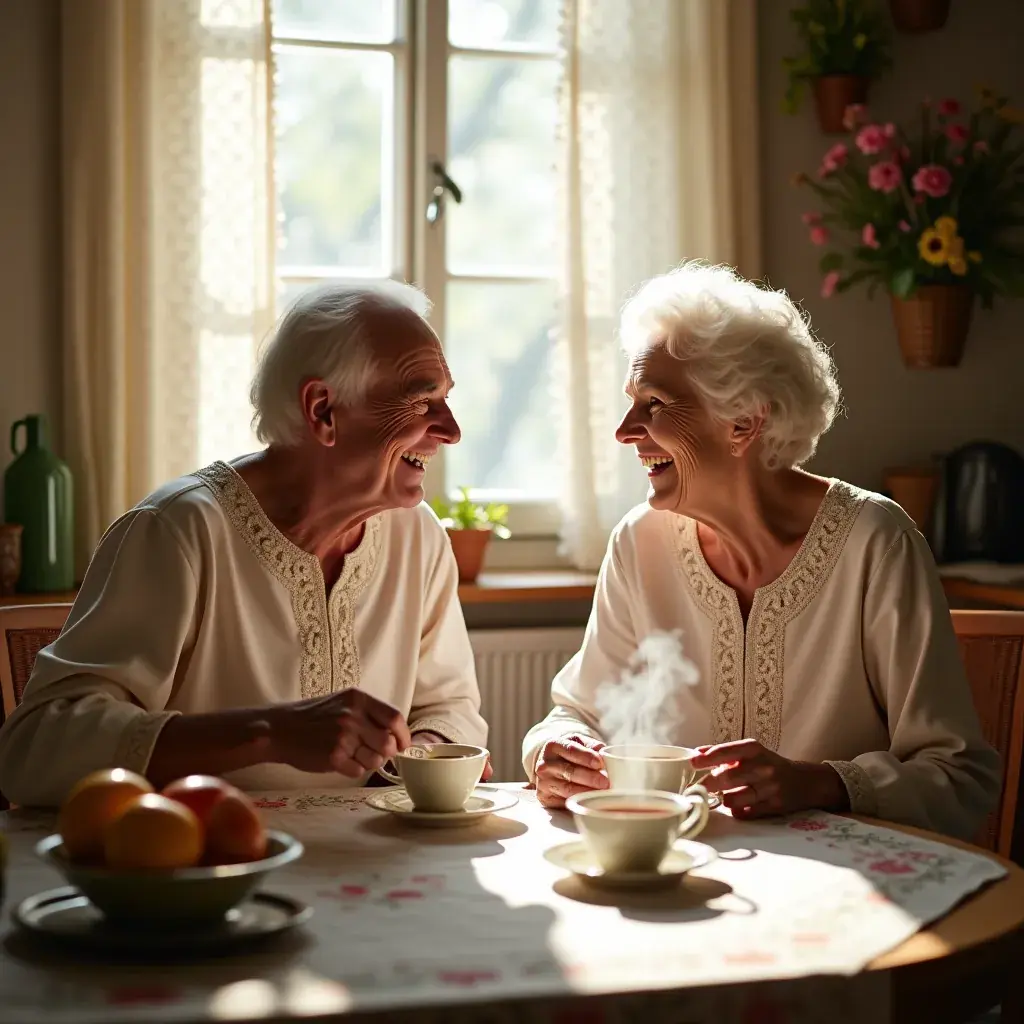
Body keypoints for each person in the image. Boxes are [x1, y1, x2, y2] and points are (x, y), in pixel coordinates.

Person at [523, 262, 999, 840]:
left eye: (655, 403)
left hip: (840, 879)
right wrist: (558, 749)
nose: (625, 430)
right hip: (682, 868)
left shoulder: (876, 543)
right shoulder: (638, 542)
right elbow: (576, 712)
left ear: (743, 423)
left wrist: (820, 782)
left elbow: (959, 777)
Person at [0, 282, 488, 806]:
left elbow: (450, 706)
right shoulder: (178, 531)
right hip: (196, 849)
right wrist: (269, 732)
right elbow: (35, 748)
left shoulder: (419, 536)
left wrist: (419, 753)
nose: (451, 429)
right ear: (323, 409)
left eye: (446, 398)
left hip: (362, 849)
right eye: (421, 400)